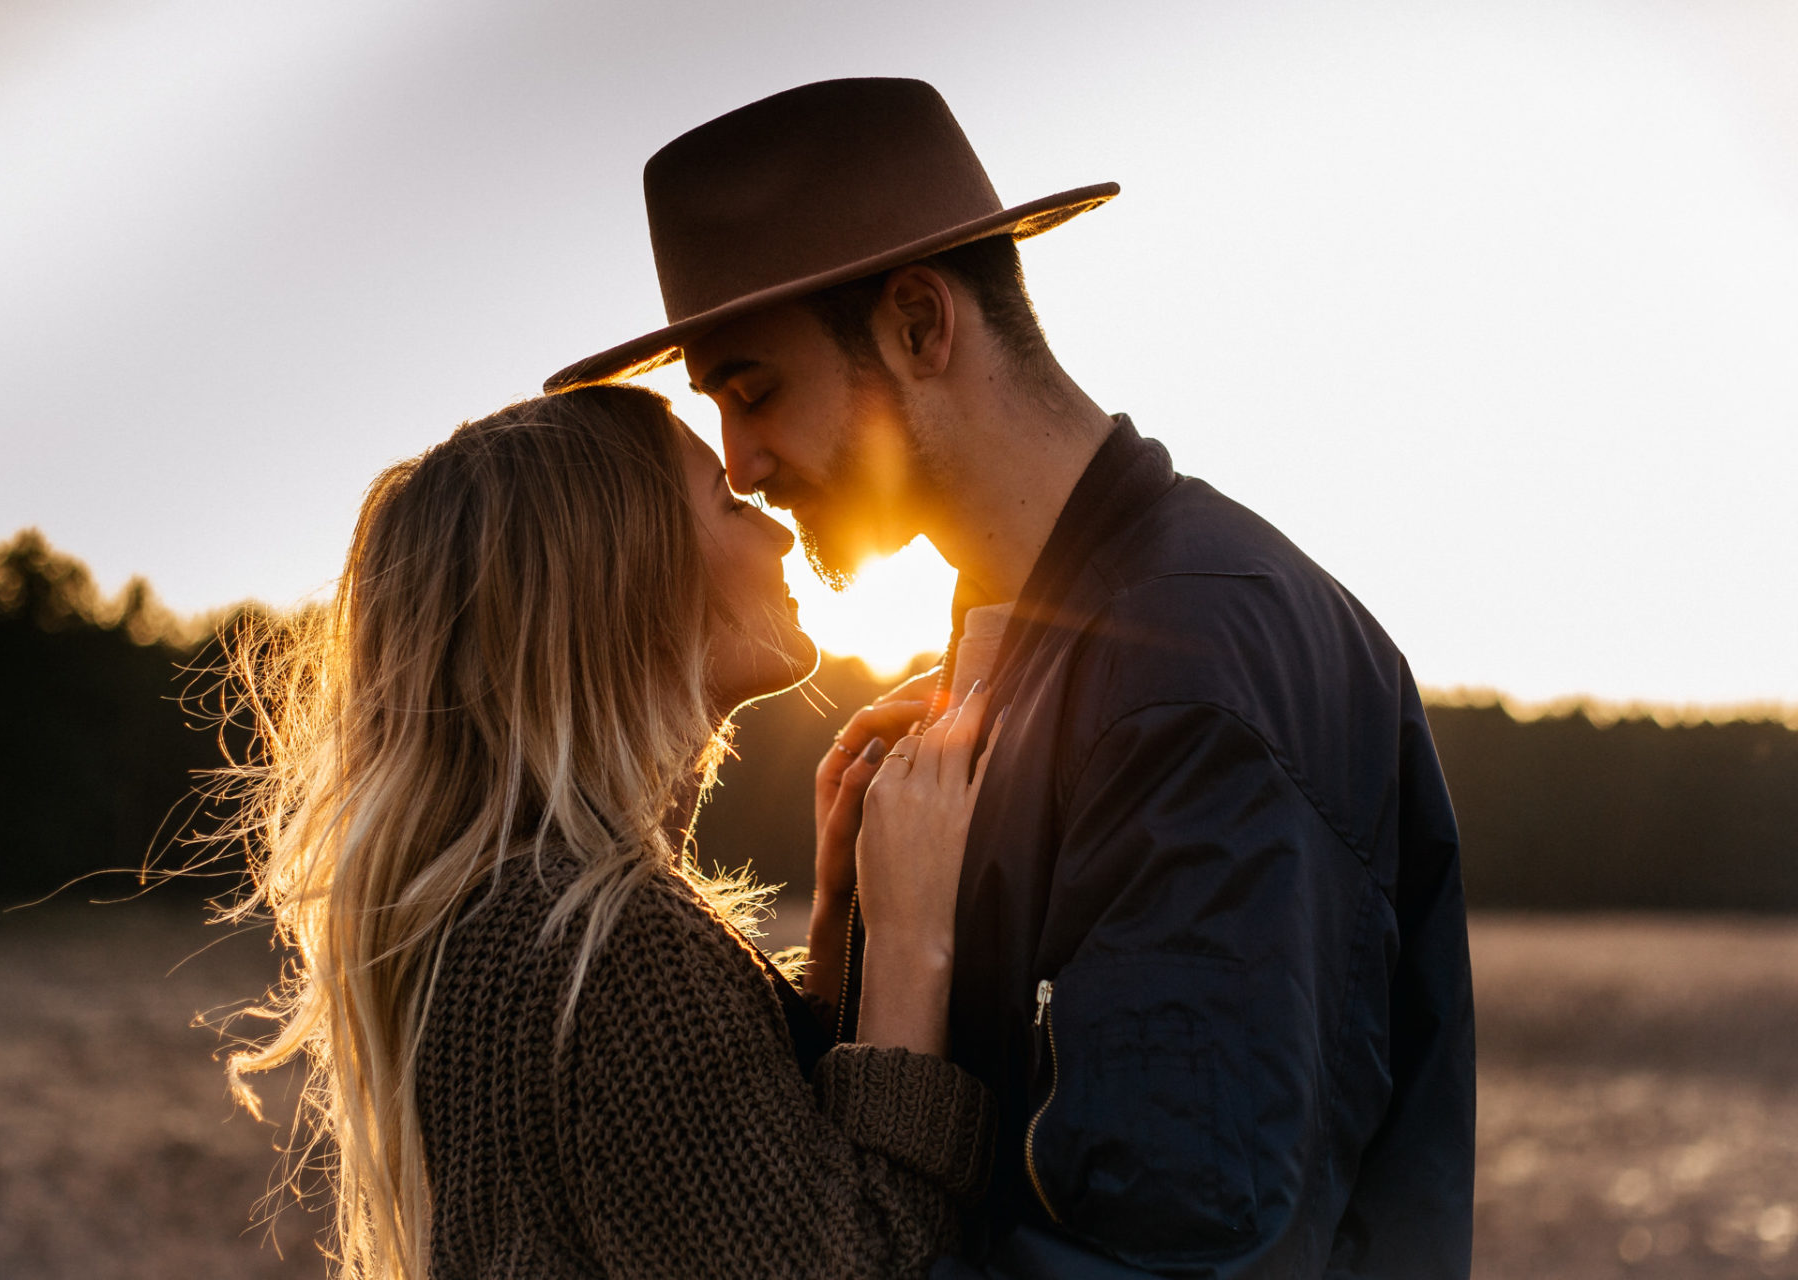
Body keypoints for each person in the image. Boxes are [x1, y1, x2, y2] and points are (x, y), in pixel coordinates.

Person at [544, 78, 1477, 1277]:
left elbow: (1170, 1255)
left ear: (921, 325)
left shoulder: (1190, 670)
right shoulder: (1019, 654)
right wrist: (848, 954)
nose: (743, 461)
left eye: (755, 389)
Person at [220, 384, 1007, 1279]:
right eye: (727, 502)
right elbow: (856, 1258)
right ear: (629, 576)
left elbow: (731, 1187)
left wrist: (839, 913)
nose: (779, 531)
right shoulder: (607, 945)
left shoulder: (515, 918)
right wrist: (911, 941)